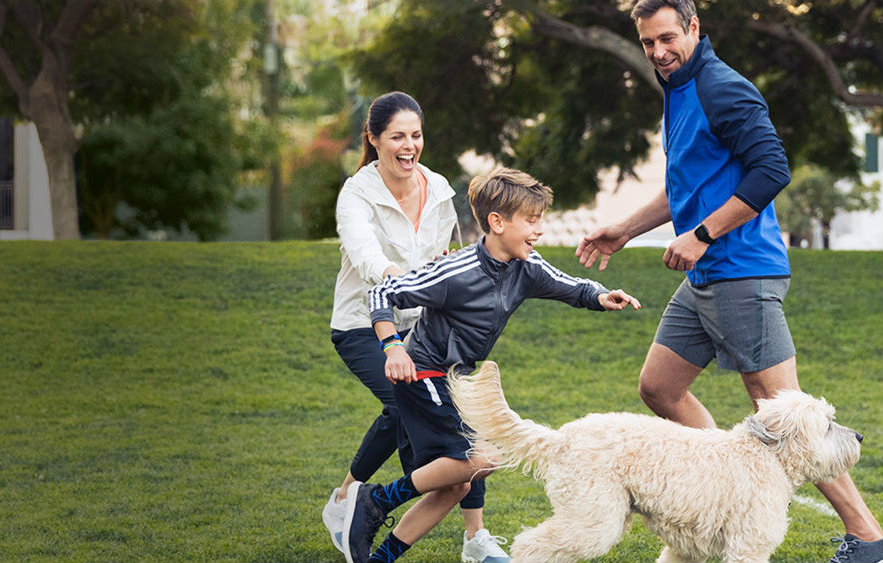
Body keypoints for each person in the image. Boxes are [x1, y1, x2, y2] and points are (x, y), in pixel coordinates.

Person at [575, 2, 883, 562]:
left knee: (779, 408)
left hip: (743, 269)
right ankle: (718, 488)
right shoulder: (676, 87)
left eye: (668, 38)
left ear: (694, 28)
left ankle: (866, 536)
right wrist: (625, 227)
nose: (658, 52)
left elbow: (772, 170)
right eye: (647, 43)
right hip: (709, 271)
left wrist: (702, 235)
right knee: (659, 388)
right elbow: (687, 184)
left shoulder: (722, 87)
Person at [341, 167, 642, 563]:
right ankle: (376, 499)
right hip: (423, 372)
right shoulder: (456, 270)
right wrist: (393, 346)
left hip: (455, 376)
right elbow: (383, 291)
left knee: (457, 486)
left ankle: (378, 558)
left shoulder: (527, 266)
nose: (539, 230)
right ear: (497, 222)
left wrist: (601, 296)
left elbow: (570, 285)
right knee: (484, 459)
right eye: (531, 220)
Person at [323, 91, 511, 563]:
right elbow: (368, 258)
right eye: (397, 137)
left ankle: (475, 540)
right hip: (365, 323)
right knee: (399, 401)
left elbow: (448, 255)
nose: (409, 146)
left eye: (416, 135)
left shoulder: (439, 187)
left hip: (425, 330)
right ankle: (350, 499)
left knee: (461, 424)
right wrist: (402, 280)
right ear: (373, 139)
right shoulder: (356, 194)